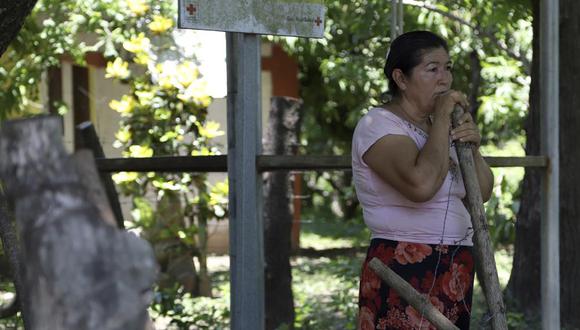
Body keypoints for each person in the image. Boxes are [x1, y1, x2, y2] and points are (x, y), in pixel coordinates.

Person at [352, 30, 494, 329]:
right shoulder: (378, 124)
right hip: (404, 265)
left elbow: (481, 193)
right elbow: (421, 185)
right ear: (401, 79)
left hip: (456, 263)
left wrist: (472, 147)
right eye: (432, 69)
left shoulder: (440, 127)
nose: (444, 79)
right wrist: (443, 119)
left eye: (448, 68)